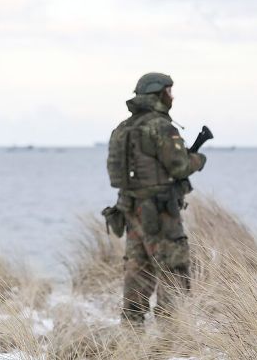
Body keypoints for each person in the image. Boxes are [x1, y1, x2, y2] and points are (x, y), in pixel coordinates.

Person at [104, 72, 206, 326]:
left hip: (129, 208)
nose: (172, 96)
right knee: (174, 268)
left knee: (137, 270)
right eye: (169, 91)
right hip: (160, 212)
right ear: (158, 93)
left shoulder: (123, 128)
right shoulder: (160, 126)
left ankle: (132, 331)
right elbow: (179, 166)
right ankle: (171, 336)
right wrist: (198, 160)